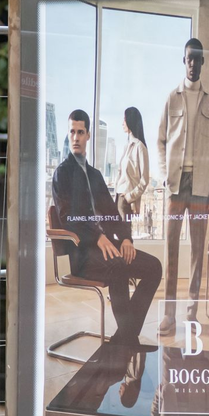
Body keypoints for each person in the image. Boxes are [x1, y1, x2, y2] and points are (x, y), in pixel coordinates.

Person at [52, 109, 162, 345]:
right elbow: (68, 218)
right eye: (72, 132)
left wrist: (125, 238)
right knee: (118, 266)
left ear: (88, 135)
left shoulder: (95, 175)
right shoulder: (62, 173)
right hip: (82, 253)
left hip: (106, 246)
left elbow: (112, 213)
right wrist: (97, 238)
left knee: (154, 267)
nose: (75, 137)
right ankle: (128, 341)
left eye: (80, 132)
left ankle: (124, 337)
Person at [157, 38, 209, 334]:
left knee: (197, 251)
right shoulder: (171, 98)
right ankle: (169, 315)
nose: (193, 64)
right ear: (184, 61)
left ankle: (191, 313)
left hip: (200, 187)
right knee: (171, 250)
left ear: (203, 61)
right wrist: (164, 175)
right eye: (189, 59)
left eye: (198, 58)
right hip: (175, 185)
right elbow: (160, 141)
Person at [115, 106, 150, 223]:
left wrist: (129, 197)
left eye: (124, 120)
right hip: (118, 198)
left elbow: (144, 180)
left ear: (130, 121)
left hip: (127, 201)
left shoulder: (140, 147)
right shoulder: (126, 146)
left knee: (124, 233)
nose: (122, 123)